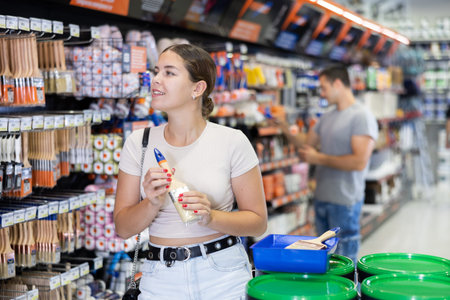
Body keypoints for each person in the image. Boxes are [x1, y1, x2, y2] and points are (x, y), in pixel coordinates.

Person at [114, 44, 267, 299]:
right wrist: (151, 203)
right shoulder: (139, 143)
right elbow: (123, 228)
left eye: (169, 73)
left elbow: (258, 222)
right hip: (160, 278)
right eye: (156, 71)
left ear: (197, 88)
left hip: (222, 275)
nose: (156, 80)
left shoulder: (232, 141)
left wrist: (210, 217)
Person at [274, 65, 378, 263]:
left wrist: (318, 158)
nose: (321, 94)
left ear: (338, 84)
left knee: (344, 264)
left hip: (345, 202)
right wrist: (284, 126)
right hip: (322, 199)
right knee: (324, 263)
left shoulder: (361, 116)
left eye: (324, 88)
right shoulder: (327, 117)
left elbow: (359, 162)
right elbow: (307, 142)